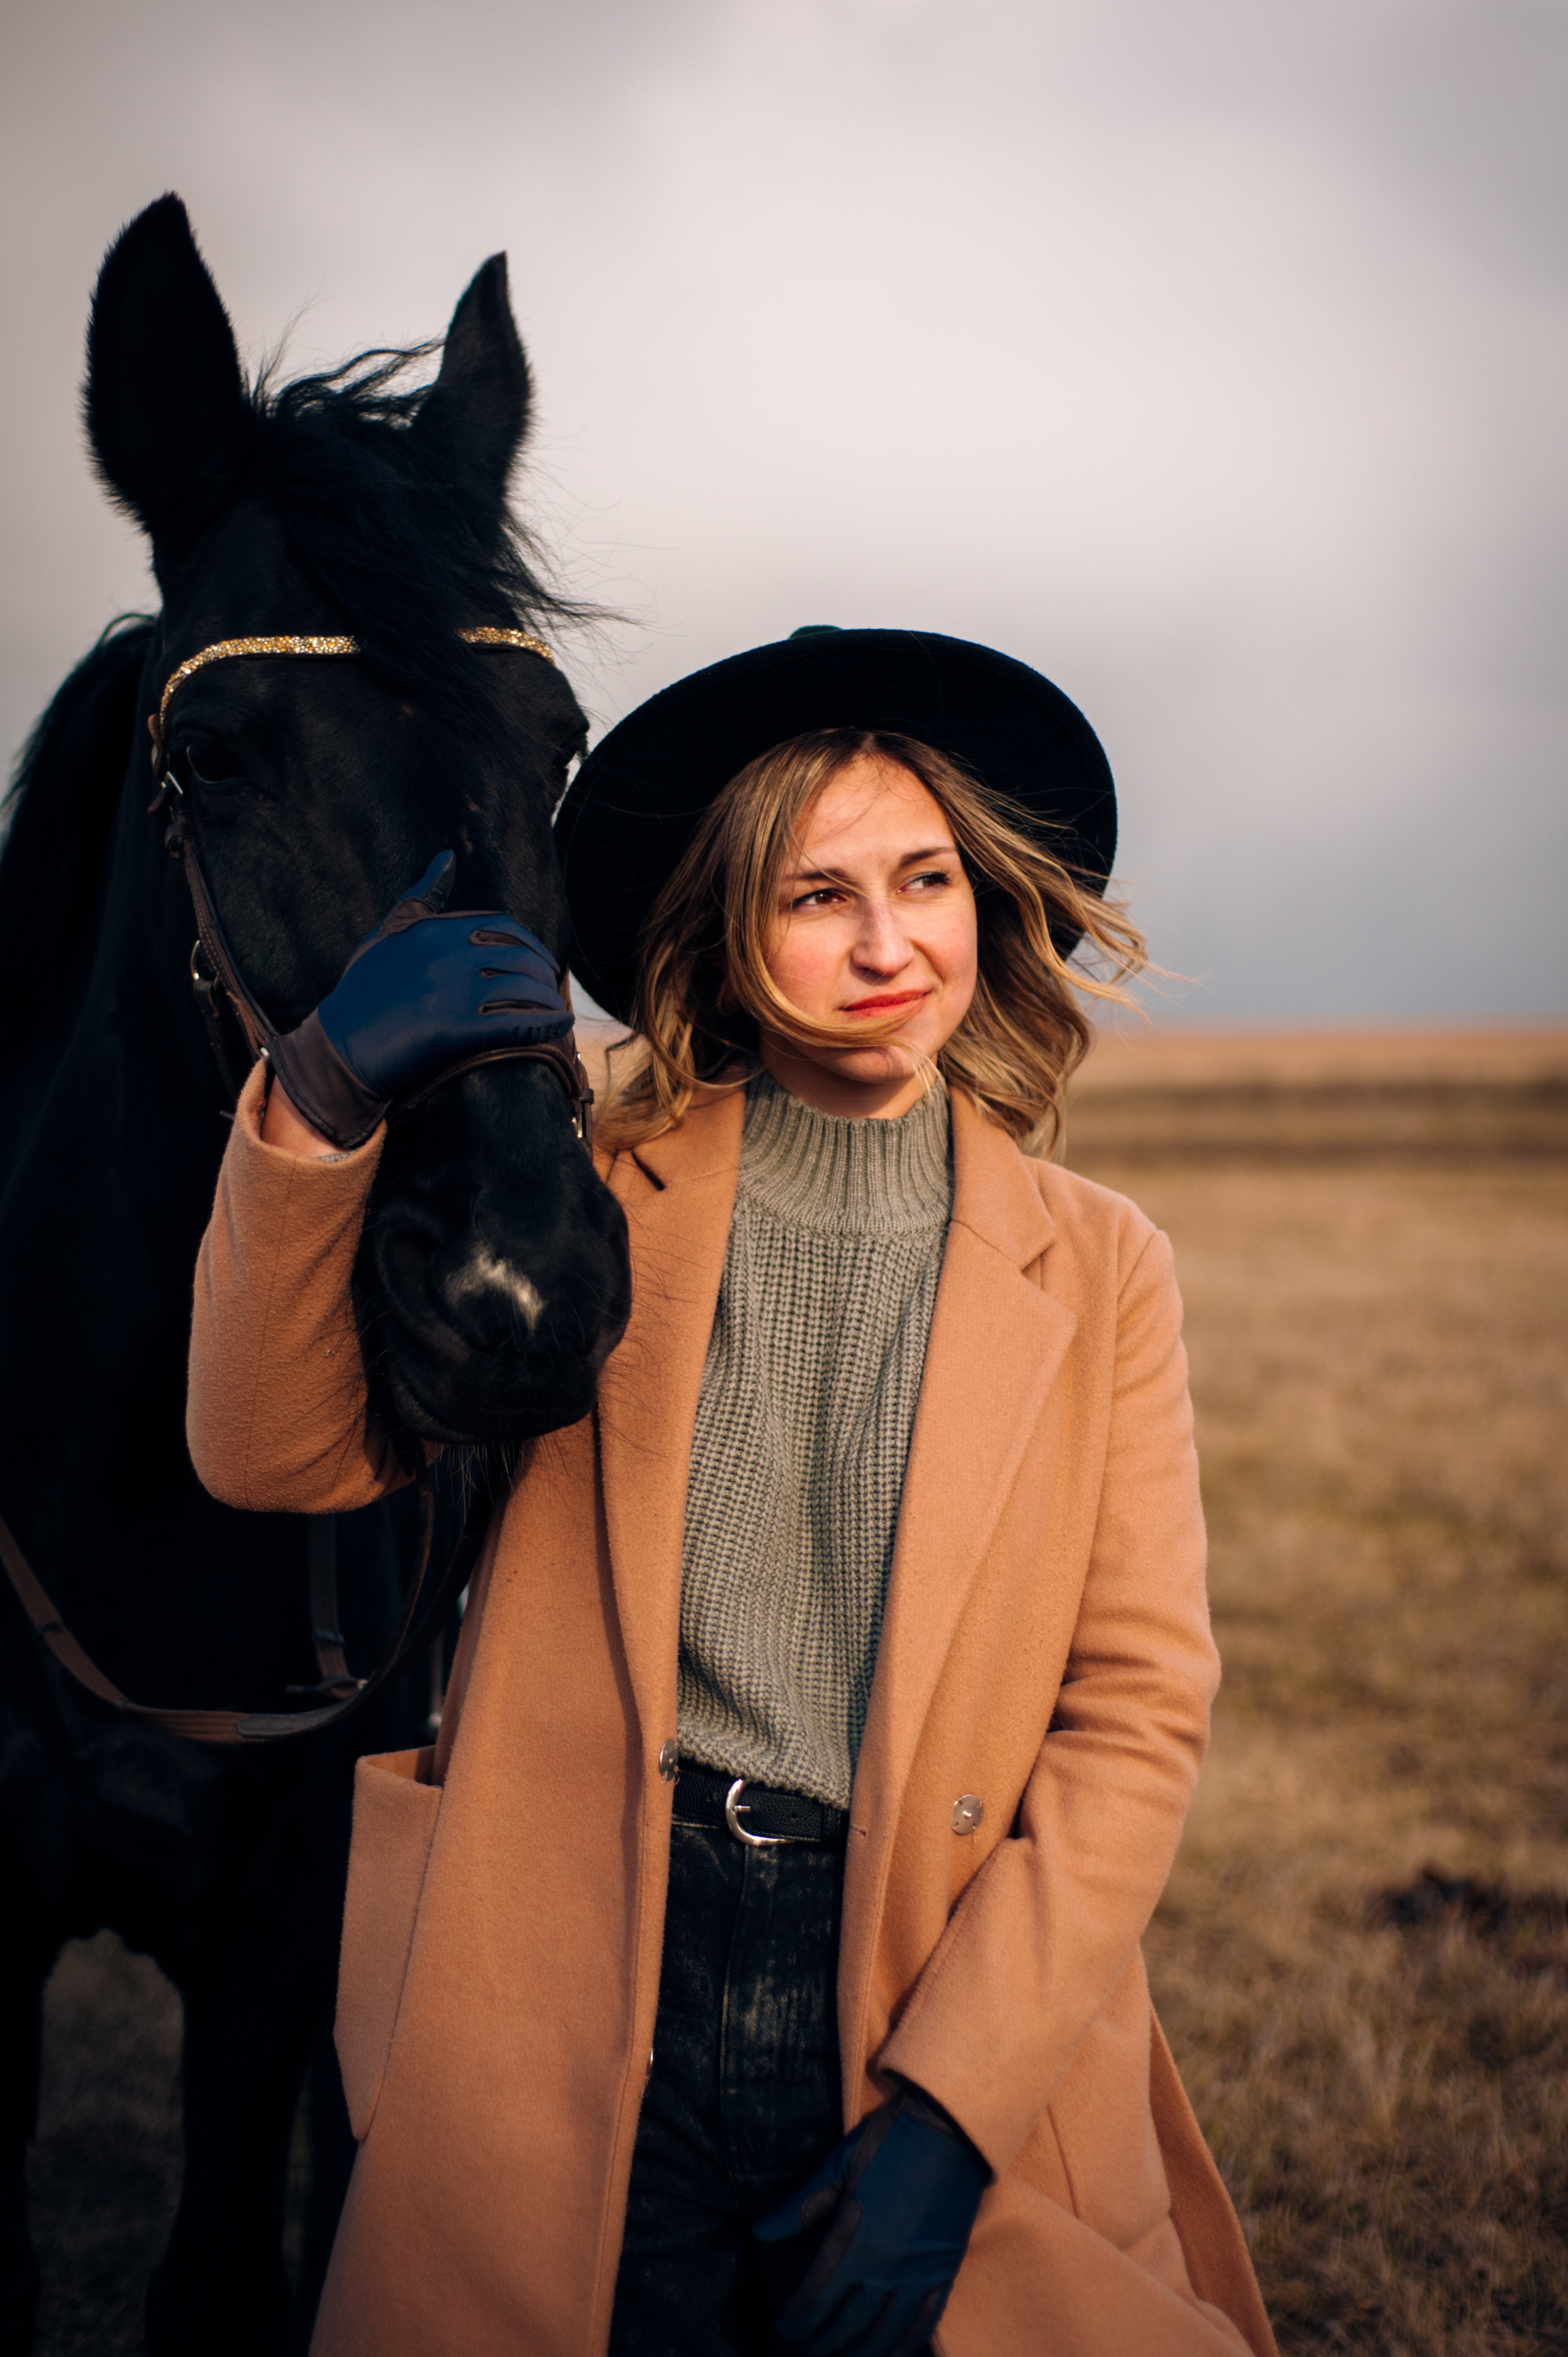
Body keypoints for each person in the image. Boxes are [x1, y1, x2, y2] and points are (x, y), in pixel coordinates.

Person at [187, 627, 1277, 2357]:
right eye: (812, 895)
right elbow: (276, 1453)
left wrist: (949, 2122)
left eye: (923, 880)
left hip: (923, 1967)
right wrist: (317, 1100)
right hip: (570, 1960)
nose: (881, 943)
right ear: (727, 938)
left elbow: (1139, 1713)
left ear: (988, 902)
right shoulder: (592, 1205)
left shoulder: (1102, 1269)